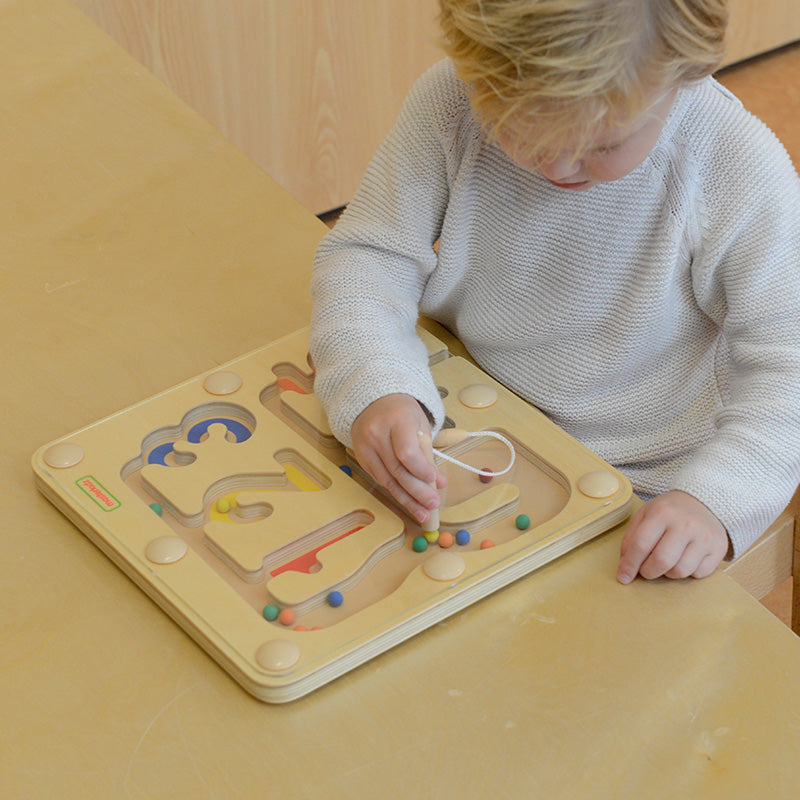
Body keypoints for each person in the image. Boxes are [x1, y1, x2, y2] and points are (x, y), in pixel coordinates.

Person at [309, 0, 800, 585]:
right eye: (520, 131)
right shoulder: (450, 101)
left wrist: (716, 499)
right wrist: (375, 384)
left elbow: (788, 369)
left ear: (683, 72)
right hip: (461, 425)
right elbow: (368, 256)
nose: (563, 166)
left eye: (605, 144)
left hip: (643, 482)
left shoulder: (735, 167)